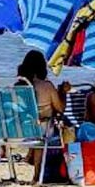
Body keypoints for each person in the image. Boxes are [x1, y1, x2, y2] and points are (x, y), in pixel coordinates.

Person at [16, 50, 70, 180]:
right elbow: (60, 108)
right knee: (53, 127)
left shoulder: (18, 86)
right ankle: (37, 173)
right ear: (42, 67)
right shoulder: (46, 86)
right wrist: (63, 92)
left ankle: (30, 155)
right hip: (41, 132)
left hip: (19, 132)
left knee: (36, 126)